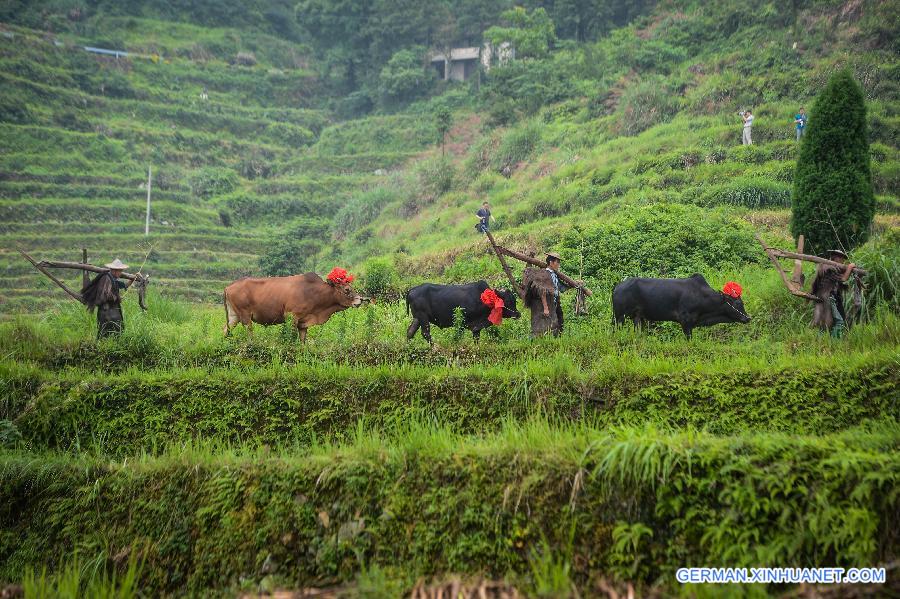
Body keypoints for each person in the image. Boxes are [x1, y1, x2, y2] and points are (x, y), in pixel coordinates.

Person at [80, 258, 134, 338]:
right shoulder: (105, 278)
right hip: (106, 313)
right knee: (104, 334)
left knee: (116, 333)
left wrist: (133, 279)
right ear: (115, 270)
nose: (120, 273)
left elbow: (125, 285)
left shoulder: (114, 280)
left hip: (113, 312)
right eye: (120, 271)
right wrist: (117, 298)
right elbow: (105, 295)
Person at [810, 249, 856, 339]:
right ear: (836, 258)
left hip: (830, 297)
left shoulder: (832, 268)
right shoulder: (828, 267)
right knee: (839, 322)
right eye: (842, 258)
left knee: (826, 324)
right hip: (828, 297)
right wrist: (850, 267)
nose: (843, 261)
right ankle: (835, 343)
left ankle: (819, 342)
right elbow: (843, 279)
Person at [544, 252, 573, 334]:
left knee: (560, 322)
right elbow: (543, 292)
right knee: (551, 324)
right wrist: (546, 307)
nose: (559, 264)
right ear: (551, 262)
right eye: (557, 262)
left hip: (556, 301)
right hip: (549, 302)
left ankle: (558, 338)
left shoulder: (554, 275)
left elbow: (561, 288)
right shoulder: (545, 275)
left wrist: (574, 285)